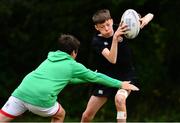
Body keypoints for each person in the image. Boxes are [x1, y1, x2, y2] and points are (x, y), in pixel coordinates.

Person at [0, 34, 139, 122]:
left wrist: (87, 78)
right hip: (41, 99)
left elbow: (68, 79)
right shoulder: (73, 65)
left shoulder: (50, 58)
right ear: (74, 52)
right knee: (60, 114)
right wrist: (120, 84)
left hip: (20, 92)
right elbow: (97, 77)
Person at [81, 9, 154, 123]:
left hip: (125, 76)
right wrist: (115, 38)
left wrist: (144, 19)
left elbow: (150, 14)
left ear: (111, 20)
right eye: (102, 26)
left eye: (108, 24)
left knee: (119, 99)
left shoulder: (123, 28)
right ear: (97, 28)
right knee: (87, 116)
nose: (106, 28)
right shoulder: (97, 41)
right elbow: (112, 59)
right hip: (105, 78)